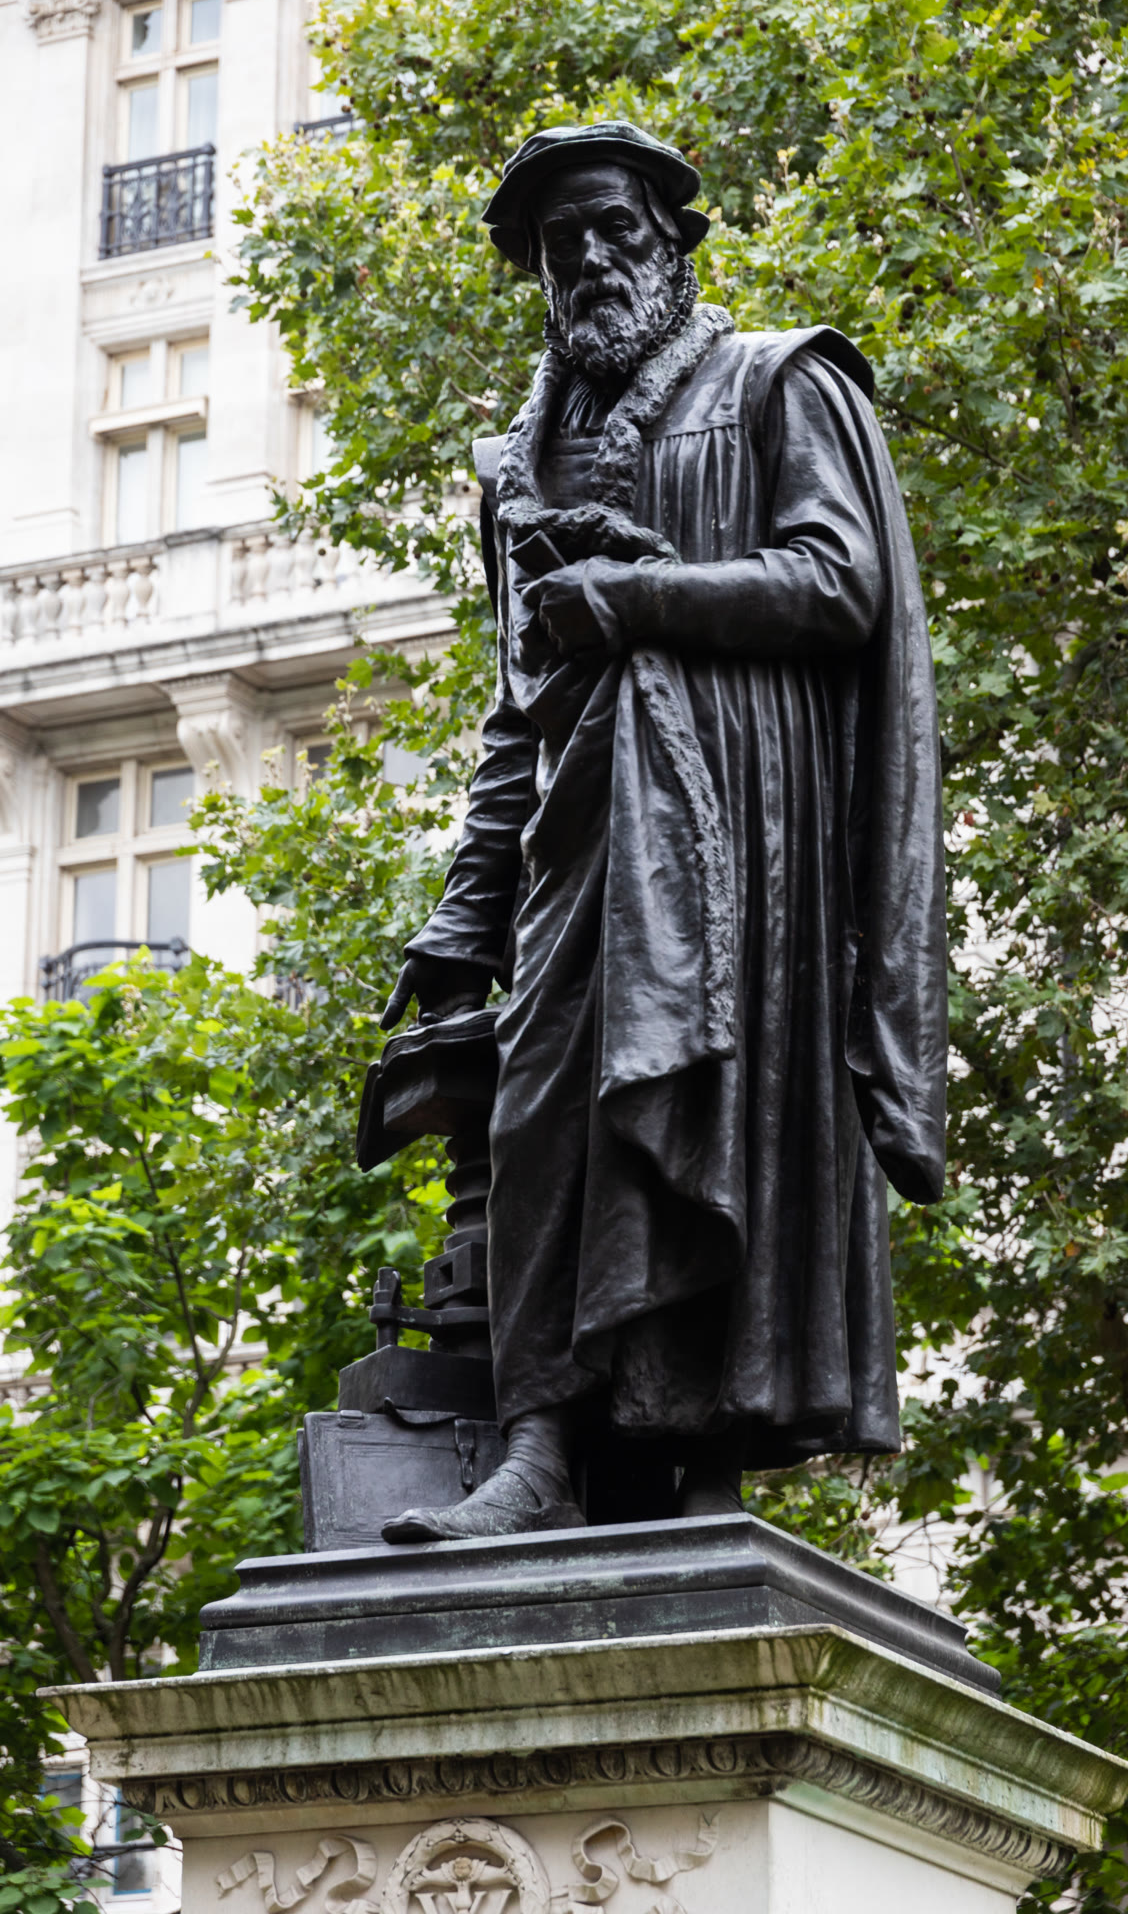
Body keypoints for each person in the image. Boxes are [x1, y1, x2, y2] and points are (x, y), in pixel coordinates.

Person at [378, 121, 947, 1542]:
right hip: (578, 841)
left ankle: (711, 1472)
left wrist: (640, 597)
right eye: (557, 241)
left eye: (613, 228)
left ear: (675, 244)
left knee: (725, 1121)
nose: (587, 258)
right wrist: (463, 914)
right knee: (542, 1119)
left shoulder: (777, 381)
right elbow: (515, 711)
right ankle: (538, 1455)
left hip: (743, 831)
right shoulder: (518, 463)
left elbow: (839, 581)